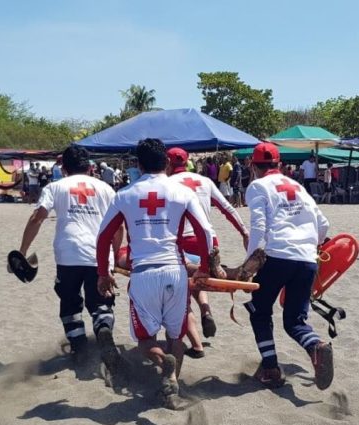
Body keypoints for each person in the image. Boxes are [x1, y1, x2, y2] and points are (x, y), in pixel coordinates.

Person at [96, 139, 216, 408]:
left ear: (138, 165)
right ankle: (172, 384)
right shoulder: (183, 192)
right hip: (175, 271)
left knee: (145, 340)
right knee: (176, 336)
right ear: (166, 163)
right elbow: (205, 232)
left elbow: (103, 238)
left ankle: (163, 364)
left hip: (143, 274)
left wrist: (103, 273)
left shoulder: (124, 195)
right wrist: (206, 267)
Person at [16, 145, 122, 375]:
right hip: (99, 255)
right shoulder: (106, 189)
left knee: (70, 300)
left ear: (63, 168)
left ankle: (79, 348)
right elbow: (118, 227)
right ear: (90, 167)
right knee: (101, 300)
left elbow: (37, 218)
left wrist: (23, 251)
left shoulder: (55, 187)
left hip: (68, 253)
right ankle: (103, 328)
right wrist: (115, 253)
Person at [242, 142, 333, 390]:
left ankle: (270, 368)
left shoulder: (257, 186)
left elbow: (259, 227)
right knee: (295, 320)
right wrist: (308, 246)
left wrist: (248, 265)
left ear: (253, 165)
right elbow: (323, 225)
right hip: (306, 258)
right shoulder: (297, 186)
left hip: (277, 256)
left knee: (259, 311)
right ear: (279, 164)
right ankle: (316, 347)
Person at [166, 147, 249, 344]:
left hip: (180, 241)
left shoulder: (166, 184)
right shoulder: (205, 181)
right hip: (208, 241)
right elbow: (227, 208)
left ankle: (195, 343)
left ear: (168, 163)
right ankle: (206, 307)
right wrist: (244, 231)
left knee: (182, 290)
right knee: (200, 275)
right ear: (187, 163)